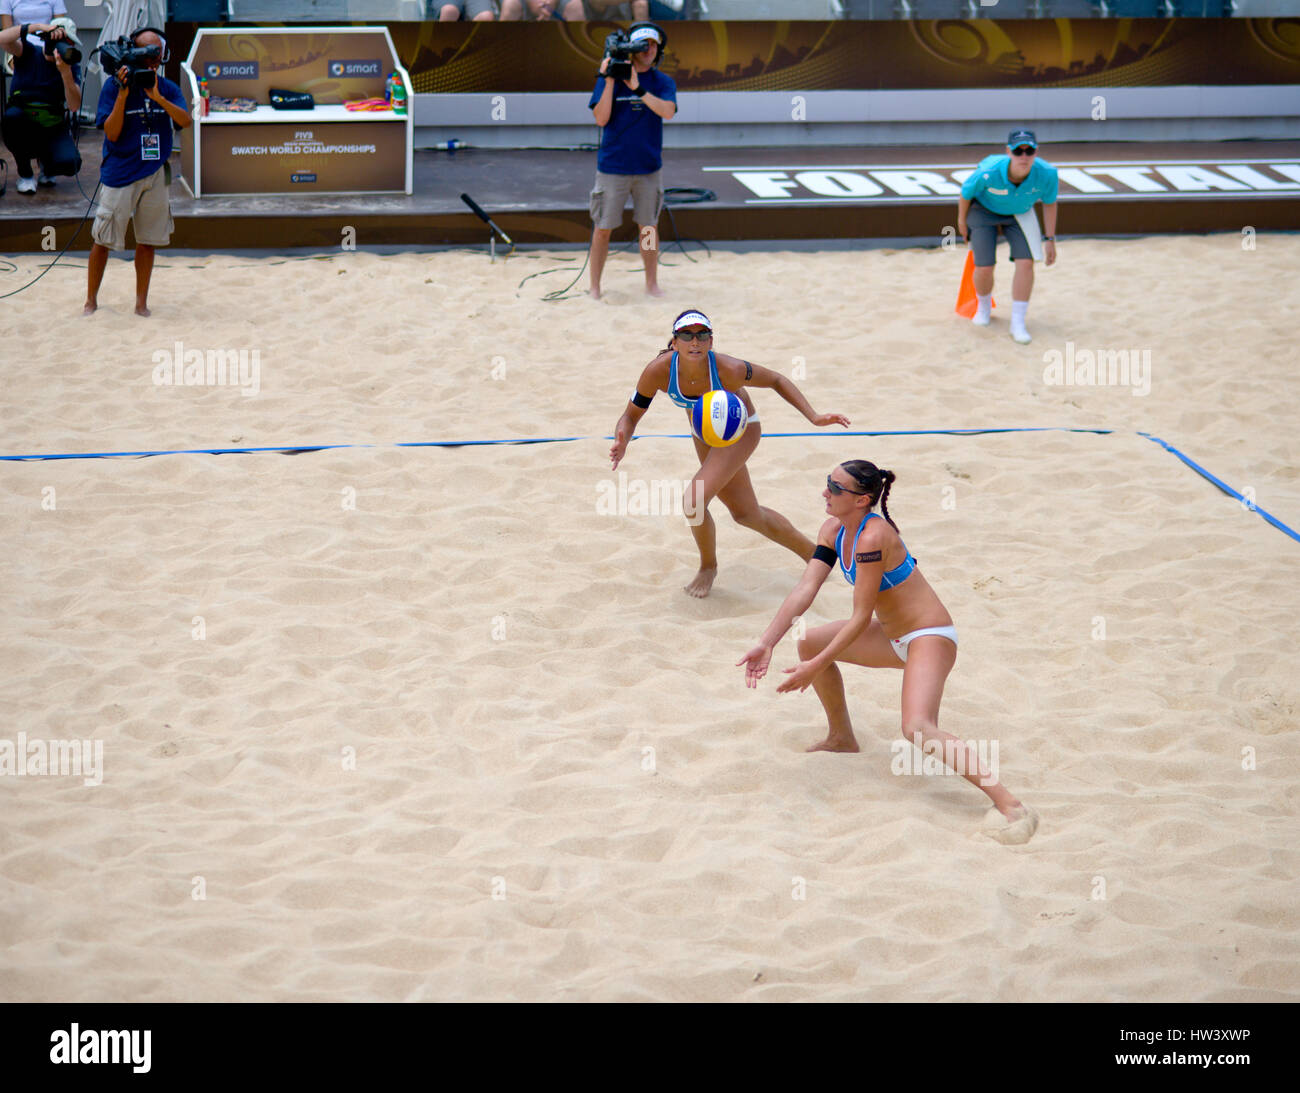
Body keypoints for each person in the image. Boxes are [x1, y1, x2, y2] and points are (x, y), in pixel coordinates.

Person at [737, 461, 1038, 844]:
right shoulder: (832, 529)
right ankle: (842, 737)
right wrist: (767, 641)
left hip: (929, 636)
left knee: (917, 728)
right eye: (827, 483)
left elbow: (860, 617)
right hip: (893, 634)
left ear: (862, 500)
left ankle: (1011, 806)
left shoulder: (872, 537)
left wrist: (816, 667)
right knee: (808, 640)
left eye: (835, 487)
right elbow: (805, 588)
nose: (825, 492)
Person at [610, 309, 850, 598]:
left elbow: (776, 379)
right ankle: (816, 555)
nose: (694, 341)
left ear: (711, 342)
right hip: (705, 433)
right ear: (675, 342)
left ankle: (708, 567)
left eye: (702, 335)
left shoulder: (729, 369)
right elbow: (630, 416)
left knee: (693, 501)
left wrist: (813, 416)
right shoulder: (658, 371)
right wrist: (622, 438)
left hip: (741, 430)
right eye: (687, 335)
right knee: (746, 514)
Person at [83, 28, 190, 317]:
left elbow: (185, 121)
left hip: (155, 172)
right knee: (102, 240)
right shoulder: (113, 87)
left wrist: (158, 98)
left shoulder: (166, 87)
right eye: (148, 53)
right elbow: (112, 133)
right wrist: (122, 94)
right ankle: (91, 301)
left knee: (148, 240)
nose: (153, 60)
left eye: (158, 54)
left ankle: (141, 303)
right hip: (120, 173)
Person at [587, 22, 675, 299]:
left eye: (652, 45)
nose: (648, 50)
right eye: (642, 45)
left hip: (648, 169)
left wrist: (638, 89)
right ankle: (595, 287)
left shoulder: (662, 82)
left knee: (648, 228)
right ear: (633, 49)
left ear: (658, 48)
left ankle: (651, 283)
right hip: (613, 168)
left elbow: (668, 111)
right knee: (603, 229)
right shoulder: (610, 77)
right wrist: (611, 79)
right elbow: (601, 118)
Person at [957, 128, 1059, 345]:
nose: (1024, 156)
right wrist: (961, 223)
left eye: (1029, 151)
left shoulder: (1048, 173)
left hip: (1019, 212)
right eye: (1018, 151)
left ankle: (1018, 322)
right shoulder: (989, 171)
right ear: (1008, 152)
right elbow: (966, 193)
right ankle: (983, 308)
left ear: (1036, 152)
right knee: (984, 266)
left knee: (1026, 263)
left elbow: (1050, 204)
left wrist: (1050, 239)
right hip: (983, 211)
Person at [0, 17, 80, 193]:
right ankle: (25, 173)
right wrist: (35, 27)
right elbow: (2, 39)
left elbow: (74, 106)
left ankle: (48, 166)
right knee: (12, 118)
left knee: (70, 163)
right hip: (24, 125)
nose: (65, 47)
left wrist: (65, 72)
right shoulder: (29, 52)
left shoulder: (70, 65)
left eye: (69, 43)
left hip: (52, 126)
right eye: (61, 41)